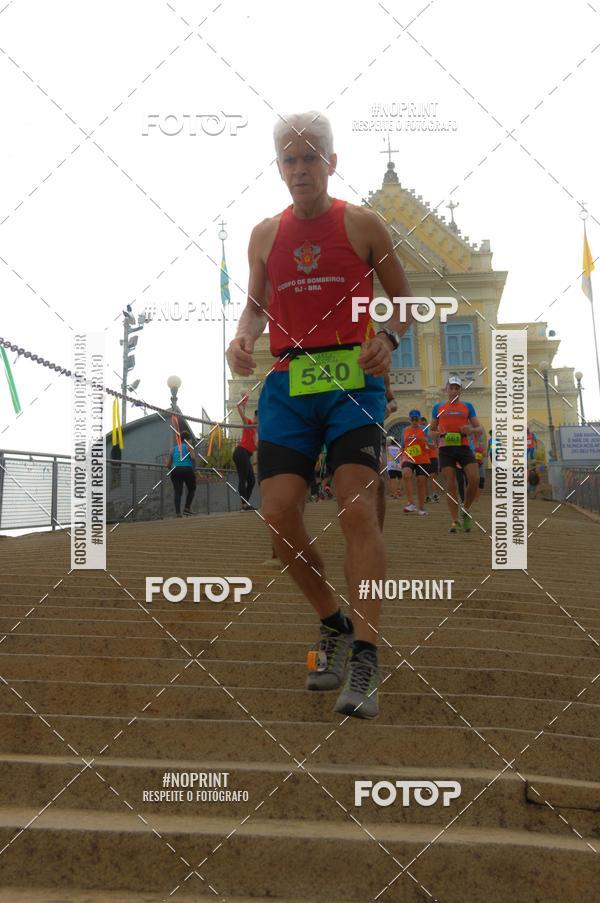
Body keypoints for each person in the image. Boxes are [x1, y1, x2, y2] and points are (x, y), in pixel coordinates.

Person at [226, 111, 413, 719]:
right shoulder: (261, 235)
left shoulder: (362, 224)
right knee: (278, 516)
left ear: (332, 162)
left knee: (357, 505)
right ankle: (330, 620)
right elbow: (255, 306)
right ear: (278, 167)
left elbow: (405, 304)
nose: (301, 168)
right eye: (290, 158)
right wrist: (242, 337)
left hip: (350, 381)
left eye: (312, 157)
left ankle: (365, 652)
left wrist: (385, 335)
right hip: (286, 382)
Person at [430, 377, 483, 533]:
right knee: (451, 484)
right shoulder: (438, 407)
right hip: (446, 449)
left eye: (456, 388)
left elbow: (479, 429)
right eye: (451, 388)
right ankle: (454, 520)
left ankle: (465, 510)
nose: (453, 390)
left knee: (474, 479)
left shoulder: (468, 407)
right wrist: (438, 434)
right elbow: (431, 431)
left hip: (464, 447)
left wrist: (470, 430)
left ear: (461, 390)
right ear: (446, 389)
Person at [401, 409, 430, 515]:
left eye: (416, 419)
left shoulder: (424, 429)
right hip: (408, 457)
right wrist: (400, 458)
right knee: (405, 474)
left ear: (419, 419)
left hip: (422, 458)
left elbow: (430, 442)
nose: (414, 421)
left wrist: (428, 442)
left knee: (421, 481)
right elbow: (402, 445)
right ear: (409, 419)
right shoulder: (405, 430)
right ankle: (411, 503)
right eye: (412, 419)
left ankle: (421, 508)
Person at [233, 397, 258, 510]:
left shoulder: (257, 430)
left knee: (252, 481)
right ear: (256, 417)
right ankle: (244, 504)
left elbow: (256, 447)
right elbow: (241, 413)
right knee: (243, 478)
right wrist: (241, 403)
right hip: (240, 452)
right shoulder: (250, 423)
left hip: (246, 455)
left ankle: (245, 504)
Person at [167, 429, 196, 517]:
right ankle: (187, 509)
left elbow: (168, 464)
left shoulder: (173, 449)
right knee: (191, 489)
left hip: (175, 470)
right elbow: (193, 457)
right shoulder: (189, 446)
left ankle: (178, 513)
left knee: (178, 492)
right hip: (187, 469)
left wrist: (172, 469)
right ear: (187, 439)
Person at [420, 415, 440, 503]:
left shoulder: (431, 431)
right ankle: (427, 496)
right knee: (424, 478)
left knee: (433, 476)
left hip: (433, 456)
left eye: (424, 423)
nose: (423, 426)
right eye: (422, 424)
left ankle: (435, 494)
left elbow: (437, 444)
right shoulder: (419, 433)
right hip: (423, 457)